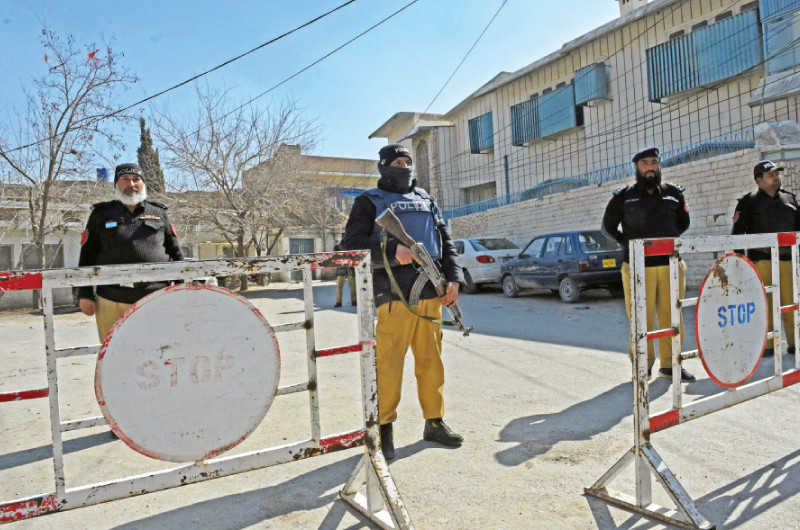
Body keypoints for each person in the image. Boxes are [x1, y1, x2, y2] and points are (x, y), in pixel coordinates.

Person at [342, 144, 464, 459]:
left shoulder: (426, 200)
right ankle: (383, 430)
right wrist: (393, 250)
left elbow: (445, 241)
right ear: (383, 167)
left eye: (408, 162)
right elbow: (350, 245)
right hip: (392, 295)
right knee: (388, 365)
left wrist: (454, 280)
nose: (404, 166)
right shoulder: (367, 202)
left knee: (431, 361)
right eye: (397, 162)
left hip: (430, 293)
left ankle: (434, 422)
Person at [601, 146, 696, 382]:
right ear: (636, 167)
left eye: (654, 162)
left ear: (659, 165)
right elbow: (608, 227)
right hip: (636, 266)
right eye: (645, 163)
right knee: (640, 318)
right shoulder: (623, 197)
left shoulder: (674, 193)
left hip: (671, 264)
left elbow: (683, 223)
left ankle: (671, 364)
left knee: (672, 315)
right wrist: (628, 243)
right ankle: (642, 365)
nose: (650, 167)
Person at [78, 163, 184, 341]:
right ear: (116, 184)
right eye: (125, 179)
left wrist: (181, 288)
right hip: (112, 298)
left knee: (159, 349)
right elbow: (87, 255)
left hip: (156, 297)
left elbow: (176, 254)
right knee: (114, 352)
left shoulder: (159, 213)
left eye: (136, 179)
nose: (131, 184)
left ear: (143, 184)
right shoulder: (101, 214)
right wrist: (84, 295)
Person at [732, 160, 800, 356]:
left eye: (777, 174)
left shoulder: (790, 200)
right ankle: (768, 346)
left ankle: (795, 344)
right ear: (759, 180)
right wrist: (739, 263)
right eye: (771, 175)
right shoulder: (748, 202)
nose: (776, 178)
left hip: (788, 260)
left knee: (791, 304)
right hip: (762, 261)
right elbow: (737, 234)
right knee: (765, 305)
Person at [333, 238, 356, 307]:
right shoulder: (337, 247)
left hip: (350, 269)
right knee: (339, 287)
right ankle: (338, 302)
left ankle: (354, 301)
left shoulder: (351, 246)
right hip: (341, 270)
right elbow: (335, 257)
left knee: (353, 287)